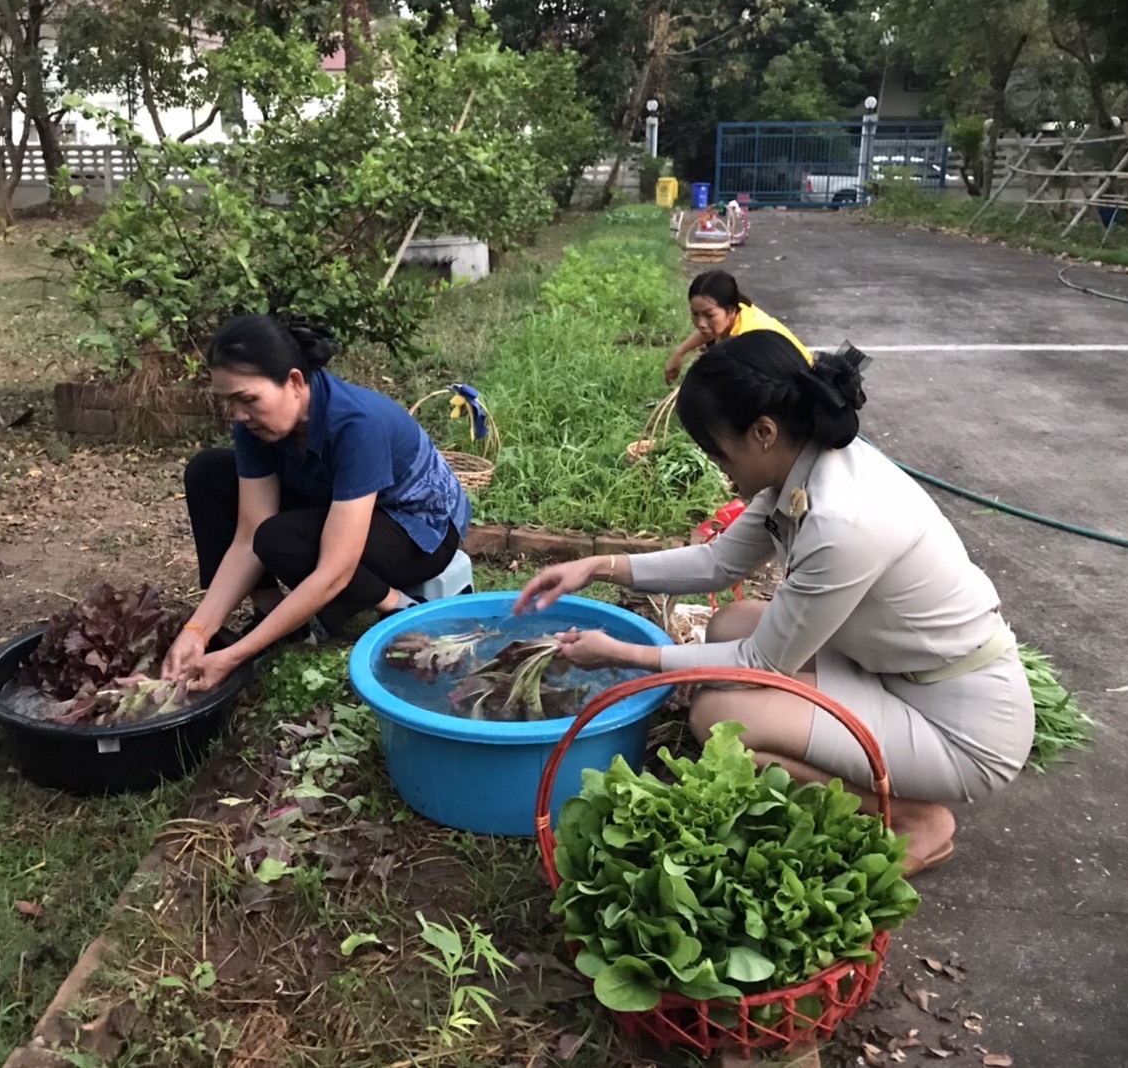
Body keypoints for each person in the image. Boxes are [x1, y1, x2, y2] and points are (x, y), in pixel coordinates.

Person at [518, 333, 1034, 875]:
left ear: (763, 432)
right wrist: (599, 566)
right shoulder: (804, 462)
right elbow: (719, 563)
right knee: (730, 622)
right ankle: (878, 771)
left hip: (960, 727)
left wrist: (624, 655)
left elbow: (758, 666)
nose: (718, 467)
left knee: (721, 715)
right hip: (894, 671)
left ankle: (918, 817)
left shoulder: (844, 522)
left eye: (719, 451)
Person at [163, 314, 471, 690]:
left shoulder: (358, 425)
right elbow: (247, 537)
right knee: (209, 473)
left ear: (294, 381)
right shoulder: (255, 426)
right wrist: (196, 631)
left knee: (280, 539)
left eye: (247, 399)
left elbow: (334, 571)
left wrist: (234, 655)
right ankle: (271, 614)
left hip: (421, 529)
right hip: (344, 501)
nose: (238, 415)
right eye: (228, 402)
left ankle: (395, 604)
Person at [664, 270, 813, 384]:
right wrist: (679, 353)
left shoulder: (746, 337)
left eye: (709, 315)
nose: (701, 323)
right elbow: (708, 330)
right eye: (695, 314)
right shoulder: (737, 312)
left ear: (730, 311)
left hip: (802, 383)